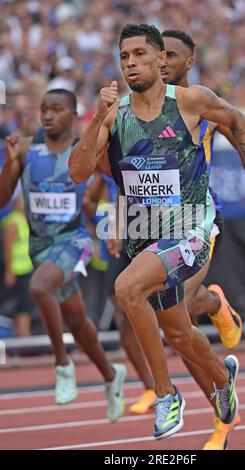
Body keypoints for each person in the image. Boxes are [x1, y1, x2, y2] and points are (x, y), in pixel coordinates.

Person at [69, 24, 245, 440]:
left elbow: (236, 119)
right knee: (178, 332)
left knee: (127, 289)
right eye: (124, 56)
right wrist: (95, 118)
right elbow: (78, 172)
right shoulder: (115, 114)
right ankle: (221, 378)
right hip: (144, 234)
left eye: (140, 54)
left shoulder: (190, 101)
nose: (130, 63)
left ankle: (166, 394)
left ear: (161, 60)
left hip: (192, 227)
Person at [0, 89, 126, 421]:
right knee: (76, 320)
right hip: (41, 246)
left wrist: (113, 225)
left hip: (76, 240)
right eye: (44, 109)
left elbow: (117, 186)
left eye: (57, 109)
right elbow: (2, 201)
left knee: (39, 287)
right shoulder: (26, 150)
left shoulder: (85, 151)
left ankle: (62, 364)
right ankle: (112, 376)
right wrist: (10, 162)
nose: (48, 115)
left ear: (73, 115)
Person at [2, 196, 34, 336]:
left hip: (26, 269)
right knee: (23, 307)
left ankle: (21, 336)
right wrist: (9, 270)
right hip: (18, 270)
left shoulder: (23, 220)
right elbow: (7, 247)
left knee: (24, 306)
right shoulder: (14, 221)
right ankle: (24, 337)